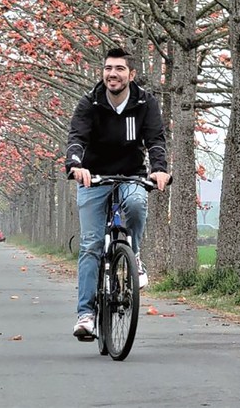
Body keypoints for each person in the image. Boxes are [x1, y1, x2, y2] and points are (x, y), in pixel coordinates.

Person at [66, 48, 170, 340]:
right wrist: (76, 166)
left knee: (136, 203)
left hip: (131, 173)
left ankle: (133, 254)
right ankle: (86, 315)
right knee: (90, 244)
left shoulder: (145, 102)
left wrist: (159, 169)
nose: (113, 74)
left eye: (120, 69)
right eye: (108, 68)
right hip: (94, 177)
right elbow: (76, 138)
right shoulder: (90, 102)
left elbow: (155, 140)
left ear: (131, 74)